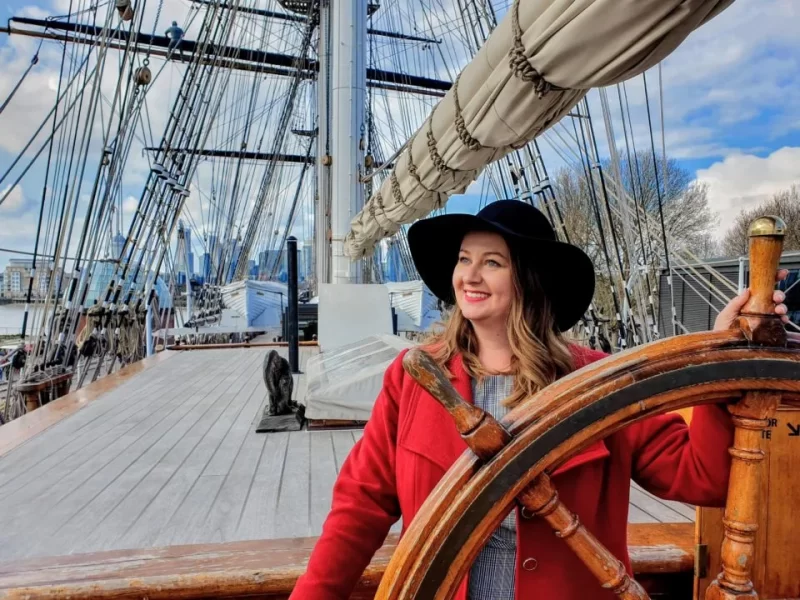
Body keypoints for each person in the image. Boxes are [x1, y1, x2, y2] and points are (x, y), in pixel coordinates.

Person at [290, 200, 789, 600]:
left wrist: (723, 363)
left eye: (492, 262)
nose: (469, 275)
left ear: (529, 281)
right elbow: (361, 504)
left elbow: (702, 477)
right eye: (464, 260)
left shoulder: (599, 380)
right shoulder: (414, 377)